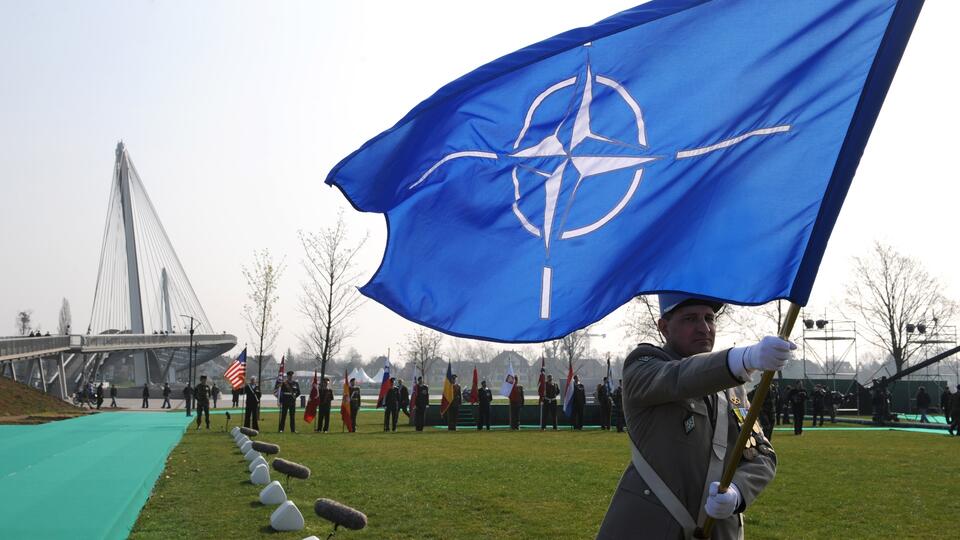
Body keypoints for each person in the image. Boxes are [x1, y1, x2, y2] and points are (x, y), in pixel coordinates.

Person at [598, 294, 783, 539]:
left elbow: (761, 455)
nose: (704, 328)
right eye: (690, 319)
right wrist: (744, 358)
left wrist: (738, 491)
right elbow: (681, 377)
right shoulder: (643, 366)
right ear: (664, 327)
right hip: (653, 528)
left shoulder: (734, 388)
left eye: (709, 318)